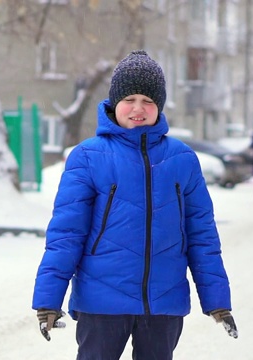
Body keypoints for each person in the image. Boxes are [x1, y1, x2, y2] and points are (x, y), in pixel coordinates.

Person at [32, 50, 237, 360]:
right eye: (130, 99)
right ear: (115, 102)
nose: (138, 109)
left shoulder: (182, 160)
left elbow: (202, 236)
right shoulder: (88, 157)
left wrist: (217, 300)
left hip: (163, 303)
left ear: (160, 107)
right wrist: (48, 299)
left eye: (148, 101)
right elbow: (66, 234)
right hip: (101, 302)